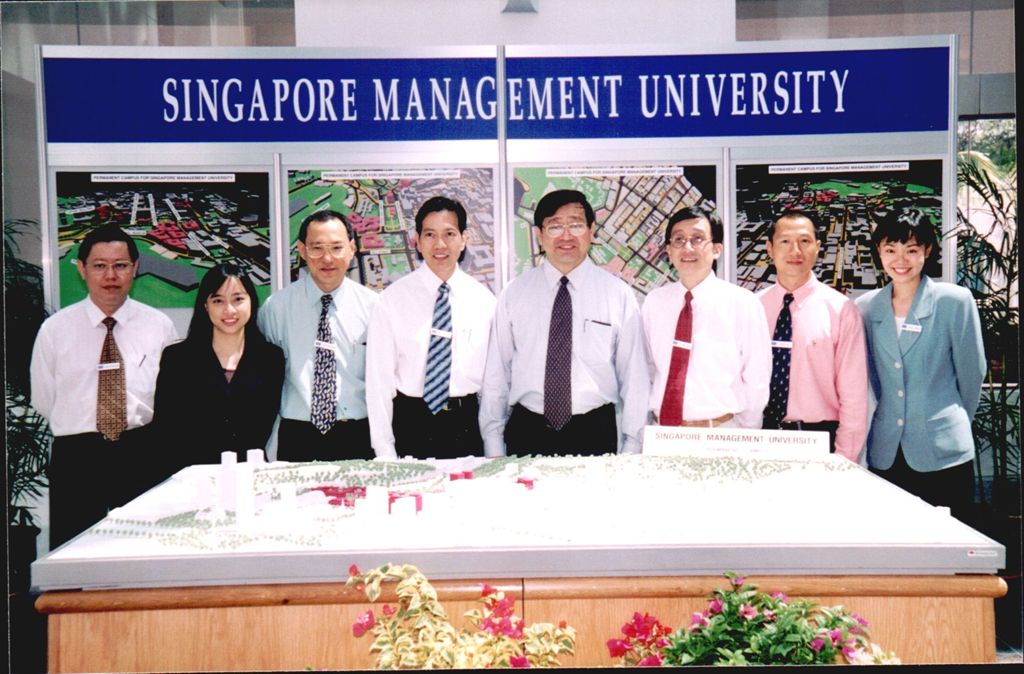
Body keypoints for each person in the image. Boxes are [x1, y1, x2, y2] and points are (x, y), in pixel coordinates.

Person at [30, 224, 178, 547]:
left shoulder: (159, 327)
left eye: (120, 265)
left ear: (135, 269)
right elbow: (44, 400)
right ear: (82, 269)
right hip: (78, 456)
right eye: (99, 265)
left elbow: (170, 398)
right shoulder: (54, 331)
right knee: (75, 556)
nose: (110, 275)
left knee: (145, 549)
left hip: (142, 451)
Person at [479, 189, 649, 457]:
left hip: (595, 430)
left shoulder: (618, 294)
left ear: (592, 231)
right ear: (539, 235)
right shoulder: (514, 294)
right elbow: (497, 373)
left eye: (576, 225)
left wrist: (633, 443)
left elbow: (634, 376)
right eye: (555, 226)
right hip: (527, 429)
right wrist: (492, 441)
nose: (566, 236)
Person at [856, 208, 985, 518]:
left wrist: (947, 422)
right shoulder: (864, 307)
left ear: (927, 251)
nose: (900, 260)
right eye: (890, 250)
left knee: (951, 549)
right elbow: (869, 380)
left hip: (944, 451)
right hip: (886, 451)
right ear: (879, 252)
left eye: (911, 250)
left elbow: (973, 375)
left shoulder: (954, 301)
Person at [365, 197, 496, 460]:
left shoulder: (485, 302)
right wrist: (384, 450)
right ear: (417, 240)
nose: (440, 244)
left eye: (449, 234)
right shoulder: (392, 300)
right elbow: (379, 383)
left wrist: (494, 448)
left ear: (464, 239)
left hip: (466, 426)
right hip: (410, 424)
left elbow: (494, 385)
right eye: (430, 234)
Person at [258, 209, 379, 462]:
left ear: (351, 249)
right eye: (316, 248)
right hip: (297, 434)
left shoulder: (374, 307)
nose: (327, 258)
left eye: (336, 248)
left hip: (357, 433)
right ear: (301, 251)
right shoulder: (276, 308)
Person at [642, 205, 771, 428]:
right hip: (662, 433)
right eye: (679, 240)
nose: (687, 247)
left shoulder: (742, 303)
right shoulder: (654, 302)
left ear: (717, 249)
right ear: (669, 251)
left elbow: (756, 377)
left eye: (698, 239)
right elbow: (647, 369)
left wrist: (747, 432)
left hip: (721, 433)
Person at [757, 211, 869, 459]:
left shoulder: (840, 310)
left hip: (818, 442)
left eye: (804, 241)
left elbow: (854, 396)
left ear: (818, 247)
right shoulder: (752, 308)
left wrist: (843, 459)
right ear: (769, 248)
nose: (795, 250)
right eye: (785, 241)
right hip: (759, 439)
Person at [152, 263, 284, 472]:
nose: (229, 310)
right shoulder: (177, 358)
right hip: (192, 477)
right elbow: (165, 430)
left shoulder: (271, 358)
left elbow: (262, 427)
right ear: (206, 306)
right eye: (218, 300)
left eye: (238, 299)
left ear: (251, 301)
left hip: (250, 474)